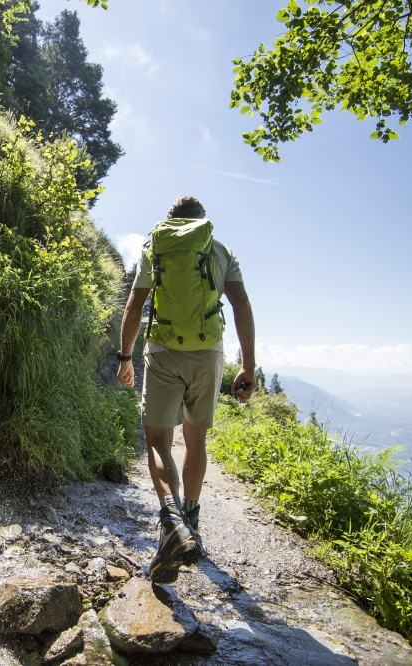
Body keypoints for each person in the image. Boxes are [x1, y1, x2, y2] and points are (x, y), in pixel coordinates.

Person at [116, 195, 255, 583]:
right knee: (196, 442)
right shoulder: (220, 249)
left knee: (159, 440)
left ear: (170, 220)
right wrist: (248, 365)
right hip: (207, 353)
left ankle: (171, 520)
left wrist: (125, 358)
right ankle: (189, 519)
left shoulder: (155, 248)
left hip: (162, 351)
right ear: (203, 222)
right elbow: (241, 304)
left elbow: (135, 306)